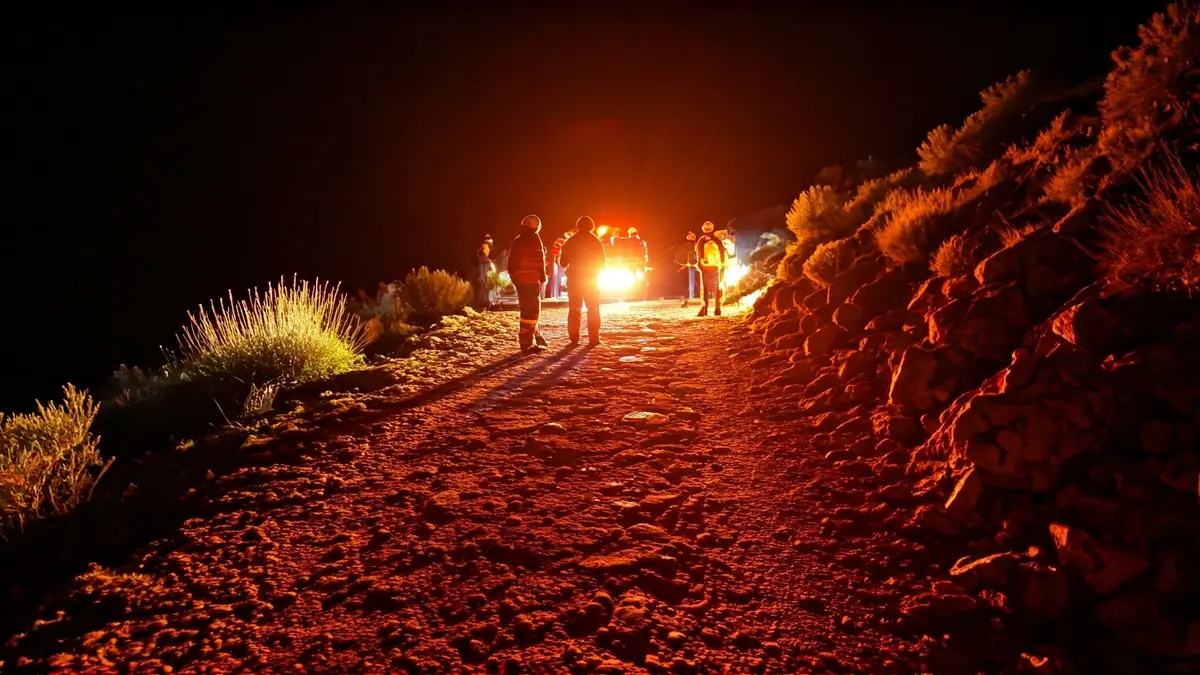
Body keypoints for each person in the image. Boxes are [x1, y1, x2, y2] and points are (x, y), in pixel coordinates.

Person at [558, 215, 606, 346]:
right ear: (592, 226)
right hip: (591, 279)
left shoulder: (570, 241)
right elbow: (602, 263)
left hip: (574, 279)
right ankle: (594, 338)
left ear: (578, 226)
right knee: (593, 308)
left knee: (574, 308)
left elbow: (562, 263)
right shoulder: (596, 241)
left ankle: (574, 337)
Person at [507, 215, 550, 350]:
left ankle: (533, 336)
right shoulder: (535, 239)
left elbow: (511, 262)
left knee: (525, 308)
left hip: (520, 281)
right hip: (531, 280)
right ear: (535, 227)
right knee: (531, 311)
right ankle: (526, 342)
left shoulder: (517, 240)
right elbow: (540, 260)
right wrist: (542, 277)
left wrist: (514, 277)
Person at [694, 221, 725, 317]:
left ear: (703, 229)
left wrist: (700, 266)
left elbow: (698, 253)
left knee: (705, 289)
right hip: (716, 267)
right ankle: (717, 309)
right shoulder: (716, 239)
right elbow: (722, 252)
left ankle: (704, 309)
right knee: (717, 288)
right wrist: (722, 265)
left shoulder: (701, 240)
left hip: (705, 267)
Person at [547, 229, 573, 299]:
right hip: (560, 263)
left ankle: (557, 294)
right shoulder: (562, 242)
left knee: (558, 279)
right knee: (558, 279)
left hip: (561, 262)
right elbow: (555, 252)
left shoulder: (565, 242)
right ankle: (556, 295)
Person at [472, 235, 495, 310]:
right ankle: (482, 302)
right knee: (482, 288)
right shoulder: (481, 252)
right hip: (481, 273)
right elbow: (481, 261)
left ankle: (484, 302)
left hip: (484, 273)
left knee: (484, 288)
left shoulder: (483, 254)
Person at [682, 231, 698, 308]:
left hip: (694, 264)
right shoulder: (693, 245)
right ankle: (692, 295)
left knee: (692, 281)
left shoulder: (695, 245)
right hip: (693, 264)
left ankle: (692, 295)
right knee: (692, 281)